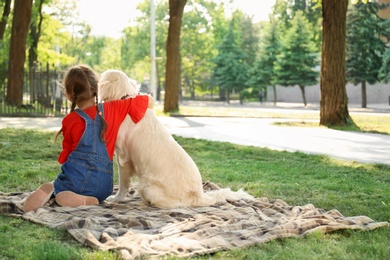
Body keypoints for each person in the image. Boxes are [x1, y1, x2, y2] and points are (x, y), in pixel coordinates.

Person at [24, 64, 153, 212]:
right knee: (80, 185)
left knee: (63, 182)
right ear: (96, 88)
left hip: (75, 182)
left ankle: (54, 189)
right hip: (104, 188)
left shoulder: (70, 120)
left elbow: (66, 156)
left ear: (68, 94)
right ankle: (87, 199)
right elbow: (146, 101)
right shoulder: (114, 108)